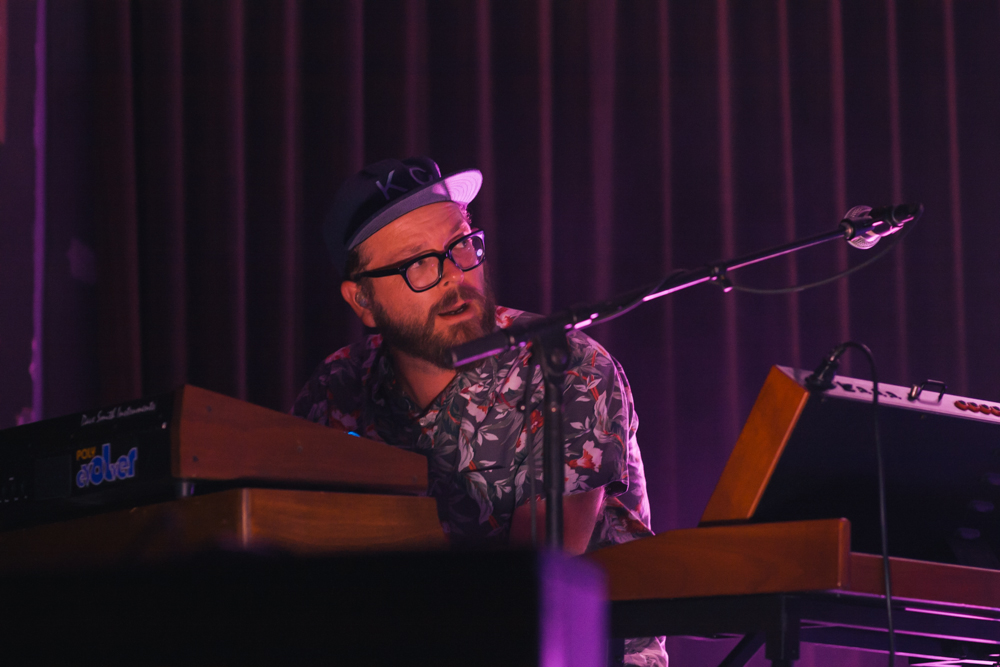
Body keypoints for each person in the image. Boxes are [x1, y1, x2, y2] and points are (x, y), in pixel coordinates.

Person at [292, 156, 666, 666]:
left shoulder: (563, 366)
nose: (452, 277)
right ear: (362, 300)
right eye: (416, 263)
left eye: (459, 245)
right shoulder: (336, 389)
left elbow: (526, 587)